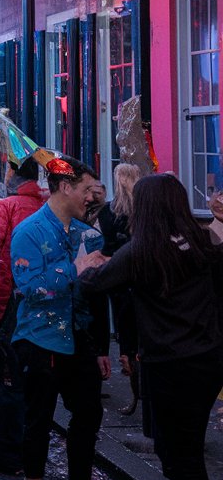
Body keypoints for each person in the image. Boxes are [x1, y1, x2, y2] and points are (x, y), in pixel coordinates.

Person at [80, 174, 223, 480]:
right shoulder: (204, 243)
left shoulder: (141, 251)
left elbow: (93, 285)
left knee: (179, 454)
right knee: (184, 447)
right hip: (208, 358)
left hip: (169, 363)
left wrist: (86, 266)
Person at [10, 155, 127, 480]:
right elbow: (29, 289)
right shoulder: (28, 231)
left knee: (88, 415)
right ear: (64, 187)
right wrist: (71, 269)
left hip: (77, 340)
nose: (91, 197)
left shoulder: (87, 234)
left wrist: (97, 348)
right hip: (38, 339)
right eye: (85, 189)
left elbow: (89, 299)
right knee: (38, 421)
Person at [0, 156, 44, 477]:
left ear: (12, 174)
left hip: (7, 304)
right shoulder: (47, 210)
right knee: (33, 377)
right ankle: (31, 448)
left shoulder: (4, 208)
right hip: (42, 305)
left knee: (7, 380)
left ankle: (9, 452)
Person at [97, 163, 142, 415]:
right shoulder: (144, 210)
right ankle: (145, 393)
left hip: (119, 279)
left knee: (126, 338)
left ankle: (135, 395)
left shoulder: (108, 211)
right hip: (143, 279)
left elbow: (105, 246)